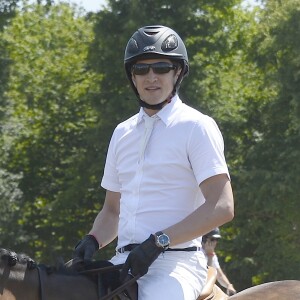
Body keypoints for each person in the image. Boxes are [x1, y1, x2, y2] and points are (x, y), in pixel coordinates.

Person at [73, 25, 234, 300]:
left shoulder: (197, 126)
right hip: (123, 263)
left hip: (176, 265)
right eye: (141, 69)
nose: (151, 77)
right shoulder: (122, 133)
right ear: (132, 77)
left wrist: (159, 241)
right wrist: (93, 239)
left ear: (177, 72)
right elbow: (112, 212)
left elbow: (222, 206)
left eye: (161, 67)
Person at [202, 228, 237, 296]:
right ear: (204, 239)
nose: (215, 242)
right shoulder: (198, 253)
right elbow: (208, 275)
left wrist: (228, 285)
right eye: (212, 239)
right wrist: (209, 256)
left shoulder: (212, 255)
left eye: (216, 240)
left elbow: (219, 275)